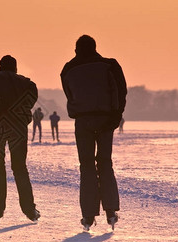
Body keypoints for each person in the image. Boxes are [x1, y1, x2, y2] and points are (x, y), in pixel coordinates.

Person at [60, 35, 127, 231]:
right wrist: (116, 115)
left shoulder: (68, 69)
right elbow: (121, 91)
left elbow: (69, 93)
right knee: (105, 162)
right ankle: (111, 211)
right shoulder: (109, 65)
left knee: (86, 165)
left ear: (76, 49)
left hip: (83, 121)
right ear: (95, 47)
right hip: (106, 119)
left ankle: (88, 215)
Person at [0, 54, 40, 222]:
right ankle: (29, 210)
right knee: (20, 167)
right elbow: (32, 96)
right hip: (18, 127)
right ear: (15, 67)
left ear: (0, 66)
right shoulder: (26, 83)